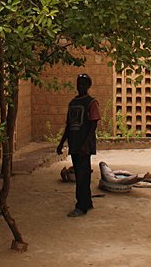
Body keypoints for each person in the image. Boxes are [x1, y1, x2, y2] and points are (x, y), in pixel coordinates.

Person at [56, 73, 101, 217]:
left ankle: (81, 206)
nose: (80, 86)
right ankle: (87, 202)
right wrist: (61, 143)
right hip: (74, 144)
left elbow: (93, 125)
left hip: (83, 146)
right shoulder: (73, 103)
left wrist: (86, 144)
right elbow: (69, 126)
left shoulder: (91, 103)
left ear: (88, 86)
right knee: (81, 174)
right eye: (79, 83)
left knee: (82, 176)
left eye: (83, 84)